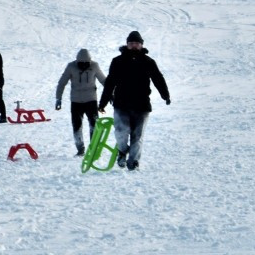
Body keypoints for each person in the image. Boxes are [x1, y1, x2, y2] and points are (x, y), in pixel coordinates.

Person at [98, 31, 170, 171]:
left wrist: (165, 95)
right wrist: (103, 102)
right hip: (121, 104)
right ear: (127, 44)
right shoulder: (117, 61)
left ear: (141, 45)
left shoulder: (148, 62)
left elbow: (158, 79)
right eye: (131, 43)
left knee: (137, 136)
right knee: (121, 132)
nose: (134, 46)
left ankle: (133, 162)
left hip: (142, 105)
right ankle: (122, 152)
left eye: (137, 43)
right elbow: (110, 83)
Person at [55, 48, 107, 156]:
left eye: (86, 63)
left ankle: (93, 147)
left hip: (91, 100)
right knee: (77, 126)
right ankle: (80, 149)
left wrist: (111, 94)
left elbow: (103, 80)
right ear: (77, 61)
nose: (83, 65)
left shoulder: (94, 66)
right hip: (76, 101)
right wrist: (58, 98)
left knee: (94, 125)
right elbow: (62, 82)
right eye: (81, 63)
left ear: (90, 61)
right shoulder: (71, 67)